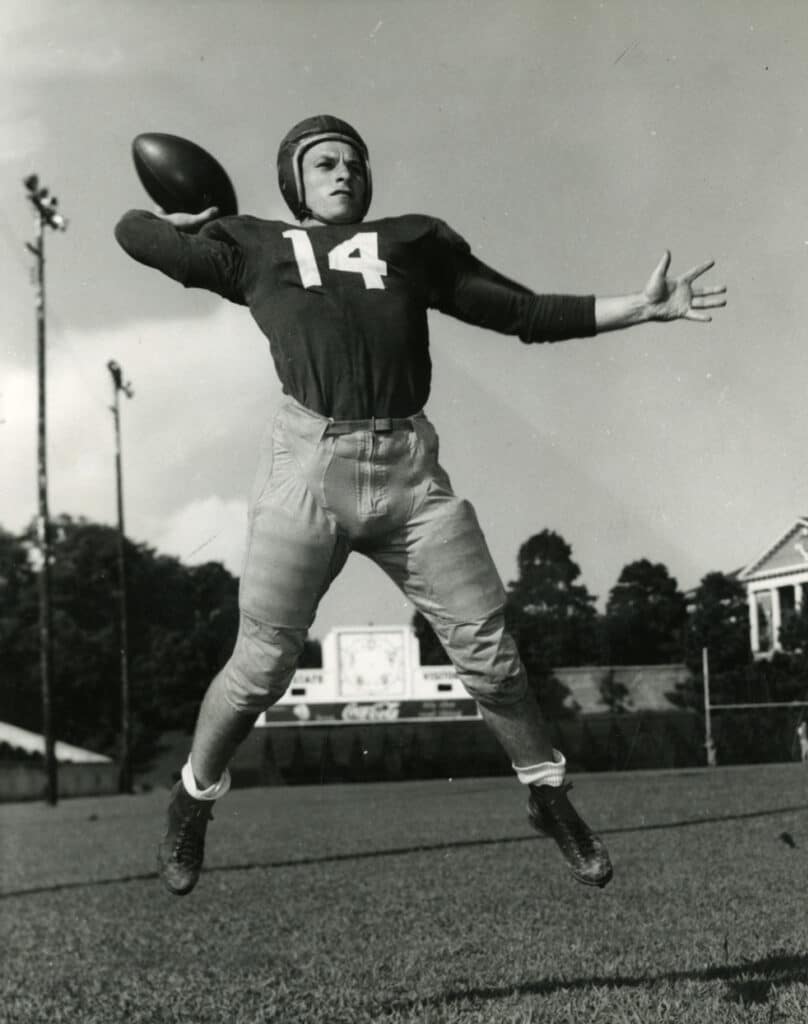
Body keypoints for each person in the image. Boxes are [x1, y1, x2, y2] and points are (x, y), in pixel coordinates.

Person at [114, 114, 726, 896]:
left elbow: (522, 314)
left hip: (408, 471)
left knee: (491, 655)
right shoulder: (255, 244)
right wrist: (187, 220)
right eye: (324, 162)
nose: (343, 172)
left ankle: (546, 796)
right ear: (292, 182)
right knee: (261, 664)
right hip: (308, 463)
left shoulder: (407, 243)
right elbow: (134, 234)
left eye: (354, 162)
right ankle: (193, 800)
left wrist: (636, 308)